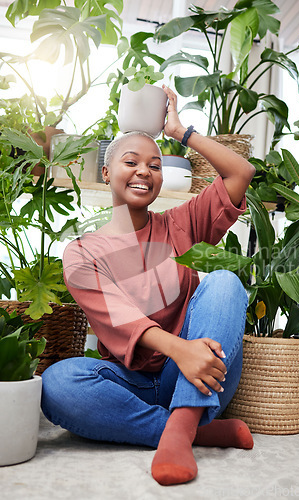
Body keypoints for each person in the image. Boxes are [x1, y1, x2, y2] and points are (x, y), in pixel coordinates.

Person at [41, 85, 256, 486]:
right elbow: (120, 321)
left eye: (155, 165)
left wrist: (180, 132)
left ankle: (181, 426)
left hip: (197, 375)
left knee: (224, 282)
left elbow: (240, 172)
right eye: (131, 161)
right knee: (57, 384)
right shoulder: (82, 252)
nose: (144, 171)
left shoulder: (181, 222)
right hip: (130, 386)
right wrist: (182, 350)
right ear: (106, 173)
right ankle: (194, 430)